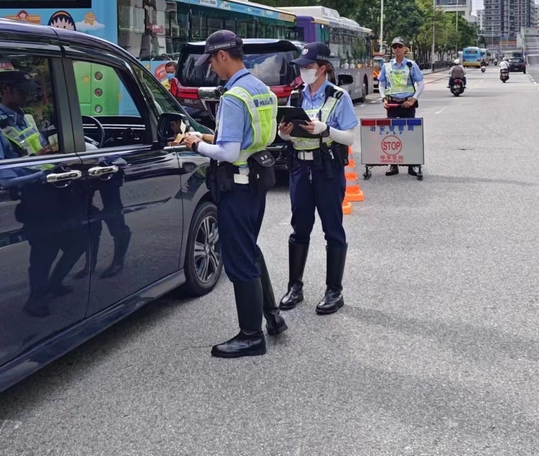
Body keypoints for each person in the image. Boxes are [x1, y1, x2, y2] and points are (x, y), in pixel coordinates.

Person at [182, 30, 286, 358]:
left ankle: (251, 336)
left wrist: (196, 144)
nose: (211, 67)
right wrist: (210, 135)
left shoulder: (233, 96)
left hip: (236, 186)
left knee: (239, 260)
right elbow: (251, 138)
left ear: (223, 56)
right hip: (256, 181)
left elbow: (227, 152)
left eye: (212, 60)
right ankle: (272, 316)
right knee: (250, 250)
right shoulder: (262, 90)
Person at [0, 71, 82, 318]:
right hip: (32, 196)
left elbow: (36, 151)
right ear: (5, 90)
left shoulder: (26, 118)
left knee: (78, 242)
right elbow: (1, 173)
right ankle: (35, 300)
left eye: (28, 90)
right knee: (43, 252)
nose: (27, 95)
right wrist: (34, 163)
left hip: (53, 189)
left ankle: (53, 284)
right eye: (21, 90)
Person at [277, 43, 358, 315]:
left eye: (308, 67)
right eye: (301, 67)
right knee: (299, 228)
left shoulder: (338, 97)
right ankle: (294, 287)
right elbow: (285, 135)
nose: (303, 71)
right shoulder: (296, 96)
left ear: (322, 68)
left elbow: (349, 138)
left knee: (332, 229)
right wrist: (285, 133)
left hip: (327, 170)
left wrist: (326, 130)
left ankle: (334, 291)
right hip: (300, 169)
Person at [377, 38, 425, 177]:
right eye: (394, 46)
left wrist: (413, 99)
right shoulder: (386, 66)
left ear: (405, 48)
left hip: (407, 104)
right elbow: (381, 84)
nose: (397, 49)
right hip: (392, 104)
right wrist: (383, 98)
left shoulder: (411, 65)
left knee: (409, 135)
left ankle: (411, 166)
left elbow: (421, 84)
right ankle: (394, 166)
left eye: (400, 46)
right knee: (392, 135)